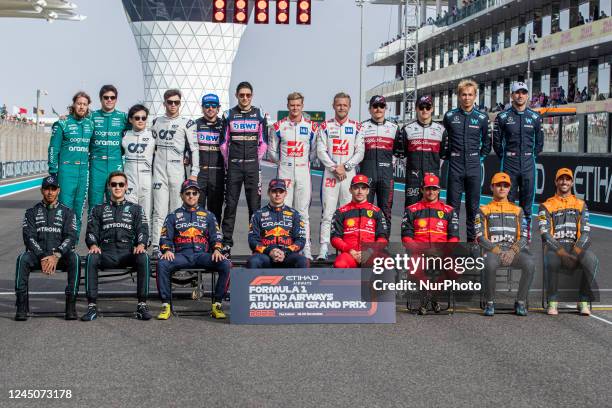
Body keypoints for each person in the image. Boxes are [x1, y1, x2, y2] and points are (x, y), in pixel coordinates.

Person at [156, 180, 230, 320]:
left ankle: (217, 304)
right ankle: (166, 304)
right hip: (181, 255)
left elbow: (217, 236)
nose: (191, 196)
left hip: (202, 255)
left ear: (198, 195)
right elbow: (165, 237)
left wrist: (217, 250)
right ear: (182, 196)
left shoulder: (209, 215)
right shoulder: (173, 216)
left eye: (194, 193)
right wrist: (167, 250)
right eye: (187, 193)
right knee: (162, 264)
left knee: (225, 264)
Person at [82, 171, 151, 321]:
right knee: (91, 258)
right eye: (114, 184)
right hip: (106, 251)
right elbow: (91, 231)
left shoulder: (136, 209)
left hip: (128, 252)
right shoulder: (97, 209)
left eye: (121, 184)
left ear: (126, 187)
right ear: (109, 186)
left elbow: (143, 229)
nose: (117, 187)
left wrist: (141, 244)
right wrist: (93, 244)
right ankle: (91, 306)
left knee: (144, 257)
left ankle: (142, 305)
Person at [15, 175, 80, 321]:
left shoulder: (68, 213)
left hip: (59, 257)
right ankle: (21, 307)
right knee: (22, 259)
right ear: (41, 190)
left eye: (53, 189)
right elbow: (28, 237)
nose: (50, 192)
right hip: (39, 256)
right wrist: (42, 256)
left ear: (58, 190)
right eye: (46, 189)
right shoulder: (31, 212)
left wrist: (56, 255)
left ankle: (71, 307)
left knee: (74, 258)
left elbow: (71, 237)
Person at [538, 168, 599, 316]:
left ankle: (583, 301)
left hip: (575, 247)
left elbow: (585, 232)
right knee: (552, 260)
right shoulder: (546, 205)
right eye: (561, 179)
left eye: (567, 179)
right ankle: (552, 302)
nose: (564, 181)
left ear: (571, 182)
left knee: (592, 260)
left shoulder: (581, 204)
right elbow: (545, 233)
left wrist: (576, 252)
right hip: (556, 249)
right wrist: (562, 253)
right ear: (556, 182)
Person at [475, 172, 534, 317]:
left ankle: (520, 301)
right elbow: (479, 236)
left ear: (510, 189)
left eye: (505, 186)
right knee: (489, 264)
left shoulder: (518, 210)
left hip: (513, 252)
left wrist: (512, 251)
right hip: (493, 252)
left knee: (530, 264)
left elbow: (525, 236)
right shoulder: (483, 210)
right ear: (491, 187)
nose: (502, 188)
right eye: (498, 185)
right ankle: (489, 302)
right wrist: (498, 251)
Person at [220, 81, 268, 254]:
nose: (245, 98)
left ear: (252, 96)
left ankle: (256, 246)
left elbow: (263, 143)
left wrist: (255, 161)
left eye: (248, 95)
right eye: (242, 95)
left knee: (254, 207)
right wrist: (230, 162)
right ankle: (226, 242)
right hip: (234, 168)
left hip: (253, 168)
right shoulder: (229, 115)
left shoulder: (259, 114)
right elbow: (223, 144)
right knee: (230, 205)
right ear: (237, 96)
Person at [268, 92, 317, 259]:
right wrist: (284, 162)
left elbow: (314, 152)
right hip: (285, 171)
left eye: (298, 105)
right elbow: (272, 152)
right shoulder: (278, 126)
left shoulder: (312, 127)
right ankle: (282, 248)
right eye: (292, 105)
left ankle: (306, 249)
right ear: (287, 106)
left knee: (303, 213)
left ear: (302, 106)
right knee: (282, 211)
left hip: (303, 171)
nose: (295, 108)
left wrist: (303, 162)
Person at [150, 89, 199, 256]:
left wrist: (194, 173)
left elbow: (195, 149)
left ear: (180, 103)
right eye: (169, 102)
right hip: (159, 173)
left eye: (176, 102)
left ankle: (176, 246)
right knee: (159, 211)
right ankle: (157, 247)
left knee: (177, 211)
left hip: (177, 172)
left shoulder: (187, 123)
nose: (173, 105)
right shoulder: (156, 122)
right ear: (164, 103)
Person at [401, 173, 459, 315]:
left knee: (455, 270)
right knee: (412, 270)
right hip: (419, 252)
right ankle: (432, 296)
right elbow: (406, 238)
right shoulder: (411, 210)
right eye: (428, 189)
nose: (431, 192)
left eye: (434, 189)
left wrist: (443, 251)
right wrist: (424, 251)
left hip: (441, 253)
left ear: (439, 190)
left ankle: (430, 295)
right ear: (422, 190)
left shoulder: (449, 211)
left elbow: (454, 238)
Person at [442, 79, 491, 242]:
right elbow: (444, 141)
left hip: (474, 165)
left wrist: (479, 158)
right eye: (464, 94)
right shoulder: (449, 116)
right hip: (455, 164)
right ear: (459, 96)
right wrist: (450, 156)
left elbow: (487, 142)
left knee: (473, 207)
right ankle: (452, 240)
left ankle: (472, 242)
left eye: (470, 95)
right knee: (452, 207)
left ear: (475, 96)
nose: (467, 98)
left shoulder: (483, 117)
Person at [317, 92, 365, 260]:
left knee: (348, 213)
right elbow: (320, 150)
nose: (341, 107)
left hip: (349, 175)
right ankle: (323, 248)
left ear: (349, 107)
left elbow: (360, 151)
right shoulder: (324, 126)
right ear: (333, 106)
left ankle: (347, 249)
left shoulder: (357, 127)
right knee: (328, 212)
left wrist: (346, 167)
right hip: (331, 174)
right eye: (339, 104)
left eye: (345, 105)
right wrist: (334, 167)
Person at [493, 82, 543, 239]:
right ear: (512, 95)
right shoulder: (502, 117)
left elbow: (539, 143)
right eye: (517, 92)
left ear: (527, 95)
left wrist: (531, 155)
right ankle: (507, 237)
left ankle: (525, 238)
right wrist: (506, 156)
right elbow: (496, 143)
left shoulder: (535, 117)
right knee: (507, 202)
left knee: (527, 203)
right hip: (509, 163)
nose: (520, 95)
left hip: (528, 163)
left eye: (523, 92)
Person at [48, 91, 94, 240]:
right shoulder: (63, 123)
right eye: (79, 103)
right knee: (64, 208)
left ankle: (71, 245)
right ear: (73, 105)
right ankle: (58, 243)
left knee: (78, 210)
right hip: (66, 171)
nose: (81, 107)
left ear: (88, 107)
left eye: (85, 104)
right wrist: (53, 171)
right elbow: (53, 149)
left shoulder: (90, 124)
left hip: (83, 172)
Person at [395, 95, 447, 208]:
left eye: (427, 107)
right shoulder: (407, 129)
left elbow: (443, 156)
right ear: (416, 109)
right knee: (411, 208)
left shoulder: (441, 130)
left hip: (432, 176)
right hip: (413, 177)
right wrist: (413, 167)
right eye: (421, 107)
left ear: (432, 108)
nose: (424, 110)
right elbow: (402, 155)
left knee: (433, 210)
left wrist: (434, 168)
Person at [360, 95, 400, 234]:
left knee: (386, 210)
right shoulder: (362, 127)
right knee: (366, 210)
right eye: (375, 106)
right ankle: (366, 243)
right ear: (370, 109)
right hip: (367, 173)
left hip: (386, 175)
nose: (378, 109)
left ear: (385, 108)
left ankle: (384, 244)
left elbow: (398, 152)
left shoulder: (394, 128)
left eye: (381, 106)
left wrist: (389, 166)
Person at [247, 179, 308, 268]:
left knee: (302, 261)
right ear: (268, 193)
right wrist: (269, 251)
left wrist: (285, 252)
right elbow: (252, 240)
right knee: (253, 261)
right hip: (265, 255)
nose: (278, 194)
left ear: (285, 194)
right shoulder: (258, 214)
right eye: (274, 191)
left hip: (287, 255)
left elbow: (301, 240)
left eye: (281, 191)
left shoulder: (295, 214)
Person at [331, 175, 388, 268]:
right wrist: (350, 250)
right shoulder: (340, 212)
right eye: (356, 188)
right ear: (350, 190)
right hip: (349, 255)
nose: (360, 191)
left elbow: (383, 238)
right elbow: (335, 238)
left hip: (370, 254)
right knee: (340, 264)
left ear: (368, 191)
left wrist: (369, 251)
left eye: (363, 188)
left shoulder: (377, 212)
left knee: (388, 263)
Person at [88, 85, 128, 210]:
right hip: (97, 164)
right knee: (95, 203)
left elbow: (137, 131)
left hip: (115, 162)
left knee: (116, 201)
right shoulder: (92, 116)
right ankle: (93, 230)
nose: (109, 100)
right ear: (101, 99)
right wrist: (66, 117)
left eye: (112, 97)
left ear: (116, 99)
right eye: (106, 97)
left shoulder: (123, 117)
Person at [122, 104, 155, 226]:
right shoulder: (124, 135)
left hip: (147, 180)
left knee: (146, 214)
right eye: (137, 118)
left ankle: (145, 242)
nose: (140, 120)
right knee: (129, 214)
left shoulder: (153, 136)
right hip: (130, 181)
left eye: (143, 118)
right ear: (130, 119)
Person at [195, 93, 225, 223]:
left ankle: (215, 240)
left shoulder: (224, 125)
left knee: (215, 210)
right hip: (200, 172)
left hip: (218, 173)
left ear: (218, 108)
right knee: (197, 209)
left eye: (213, 106)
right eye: (207, 106)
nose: (210, 108)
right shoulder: (195, 125)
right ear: (202, 108)